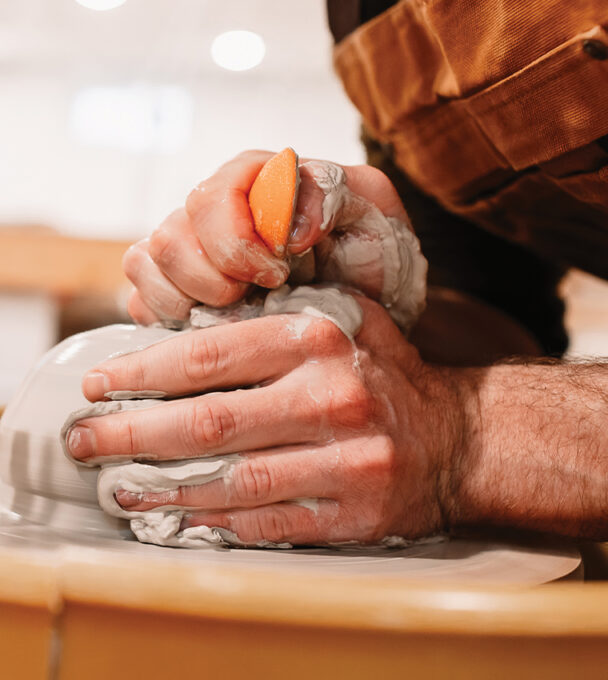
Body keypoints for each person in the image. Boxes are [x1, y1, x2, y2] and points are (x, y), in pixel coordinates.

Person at [63, 0, 608, 545]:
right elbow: (502, 315)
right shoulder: (368, 19)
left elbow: (452, 413)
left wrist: (462, 437)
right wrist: (338, 311)